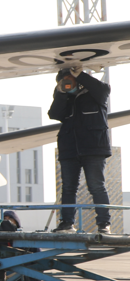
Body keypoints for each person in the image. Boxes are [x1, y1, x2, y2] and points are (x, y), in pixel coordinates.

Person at [48, 65, 112, 234]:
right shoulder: (64, 98)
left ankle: (104, 224)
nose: (68, 83)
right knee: (68, 188)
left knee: (96, 186)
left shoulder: (95, 94)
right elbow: (54, 114)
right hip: (69, 149)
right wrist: (61, 92)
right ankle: (67, 223)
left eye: (71, 79)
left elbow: (104, 89)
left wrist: (81, 75)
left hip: (94, 148)